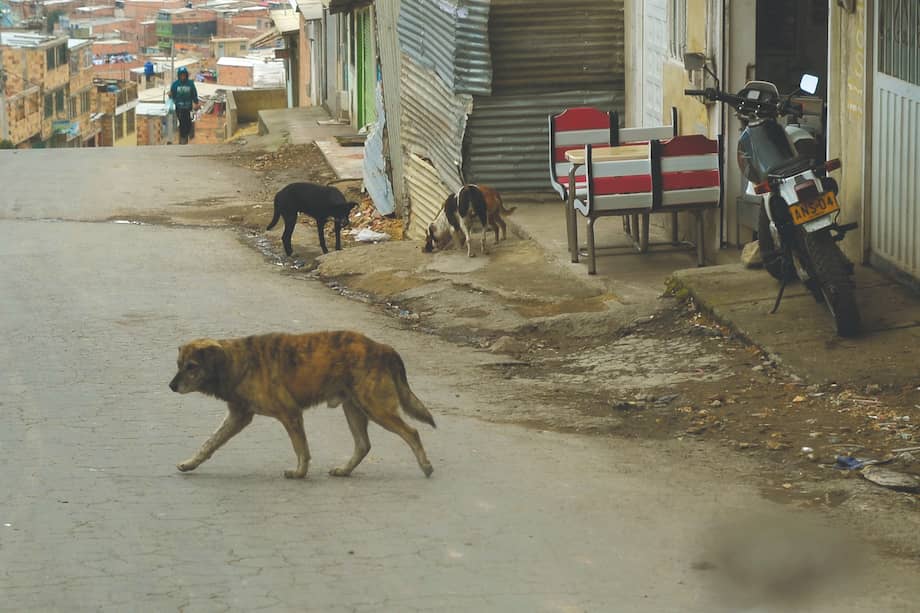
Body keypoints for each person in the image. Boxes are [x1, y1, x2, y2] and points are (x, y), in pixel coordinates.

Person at [168, 66, 200, 145]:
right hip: (179, 108)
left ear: (186, 75)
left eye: (184, 75)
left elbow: (194, 94)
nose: (183, 77)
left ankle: (186, 135)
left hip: (188, 108)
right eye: (181, 75)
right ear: (179, 76)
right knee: (182, 123)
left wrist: (196, 103)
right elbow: (172, 95)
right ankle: (183, 139)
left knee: (188, 123)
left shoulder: (190, 84)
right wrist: (170, 95)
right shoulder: (175, 85)